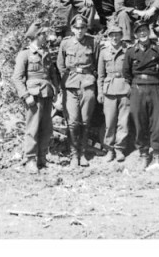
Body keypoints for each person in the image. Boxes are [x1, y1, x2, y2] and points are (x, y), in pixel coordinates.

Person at [122, 20, 159, 171]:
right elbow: (126, 72)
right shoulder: (131, 51)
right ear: (135, 35)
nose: (142, 33)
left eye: (144, 30)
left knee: (157, 123)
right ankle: (144, 153)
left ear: (149, 32)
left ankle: (157, 154)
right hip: (138, 89)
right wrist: (134, 87)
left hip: (156, 88)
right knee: (139, 123)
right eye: (139, 31)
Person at [12, 24, 60, 174]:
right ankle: (30, 160)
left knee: (46, 128)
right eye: (44, 34)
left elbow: (52, 74)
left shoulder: (46, 52)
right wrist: (26, 96)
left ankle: (42, 160)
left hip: (47, 94)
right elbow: (17, 78)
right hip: (33, 96)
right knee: (32, 128)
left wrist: (56, 91)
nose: (46, 37)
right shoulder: (25, 54)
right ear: (37, 36)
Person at [57, 15, 99, 167]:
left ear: (86, 28)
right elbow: (60, 65)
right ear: (72, 28)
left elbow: (98, 63)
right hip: (70, 85)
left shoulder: (93, 42)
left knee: (85, 122)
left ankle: (83, 153)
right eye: (77, 28)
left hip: (88, 84)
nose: (80, 31)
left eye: (83, 28)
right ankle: (74, 154)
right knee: (73, 122)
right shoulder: (66, 43)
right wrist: (64, 82)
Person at [97, 23, 130, 163]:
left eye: (117, 35)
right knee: (109, 122)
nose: (115, 37)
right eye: (112, 35)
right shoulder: (104, 52)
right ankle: (109, 149)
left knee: (123, 122)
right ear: (108, 37)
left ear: (121, 36)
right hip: (109, 89)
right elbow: (100, 74)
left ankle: (119, 149)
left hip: (124, 88)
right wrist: (100, 92)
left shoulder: (127, 50)